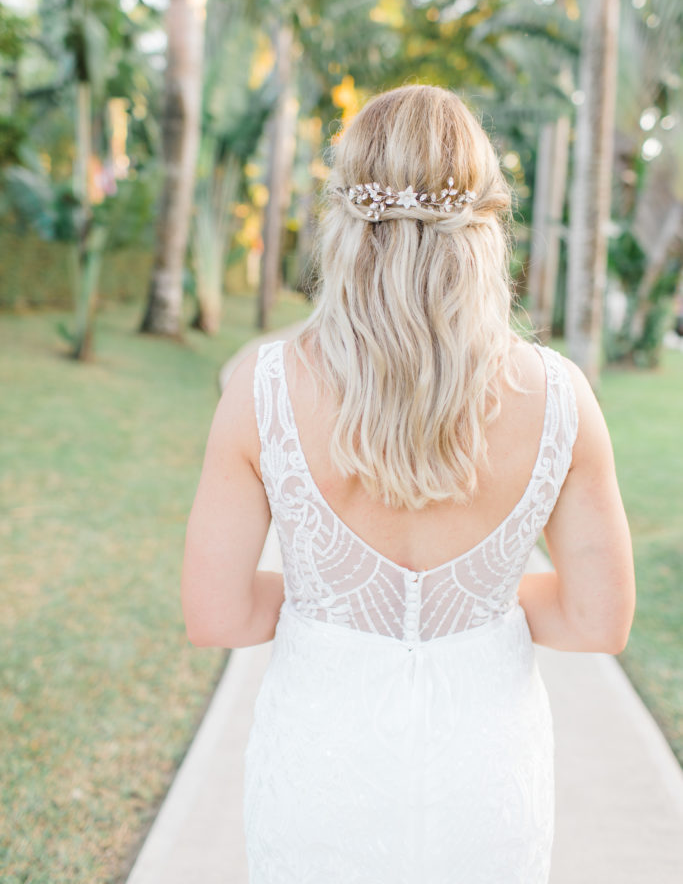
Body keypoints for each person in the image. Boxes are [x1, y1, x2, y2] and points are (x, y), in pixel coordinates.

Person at [182, 84, 635, 883]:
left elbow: (216, 614)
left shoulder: (263, 391)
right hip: (486, 775)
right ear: (486, 224)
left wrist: (344, 602)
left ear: (345, 219)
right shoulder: (560, 399)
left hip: (320, 764)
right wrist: (469, 605)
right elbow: (596, 620)